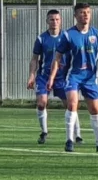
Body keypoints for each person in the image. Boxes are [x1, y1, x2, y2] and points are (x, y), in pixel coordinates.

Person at [48, 3, 98, 153]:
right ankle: (69, 140)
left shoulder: (97, 34)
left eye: (87, 12)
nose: (85, 15)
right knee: (72, 104)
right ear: (75, 16)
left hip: (90, 78)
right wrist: (52, 77)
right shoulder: (68, 35)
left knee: (95, 109)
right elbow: (58, 57)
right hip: (73, 76)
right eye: (81, 13)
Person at [28, 9, 68, 144]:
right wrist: (31, 75)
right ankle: (44, 132)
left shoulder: (66, 37)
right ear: (47, 21)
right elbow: (34, 59)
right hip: (44, 76)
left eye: (57, 19)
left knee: (70, 105)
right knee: (41, 103)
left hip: (62, 76)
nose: (55, 22)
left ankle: (76, 134)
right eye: (52, 19)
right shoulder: (41, 39)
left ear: (61, 21)